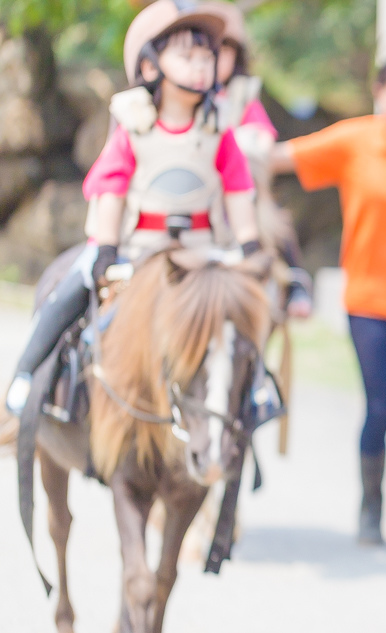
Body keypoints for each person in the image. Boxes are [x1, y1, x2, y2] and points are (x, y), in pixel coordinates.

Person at [4, 0, 261, 417]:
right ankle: (28, 372)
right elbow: (112, 186)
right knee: (70, 288)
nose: (200, 66)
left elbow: (238, 188)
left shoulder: (219, 130)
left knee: (244, 309)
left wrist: (249, 244)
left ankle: (252, 392)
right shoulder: (133, 126)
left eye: (206, 57)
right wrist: (105, 247)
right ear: (148, 67)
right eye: (187, 55)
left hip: (201, 250)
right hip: (134, 248)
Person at [270, 55, 386, 548]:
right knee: (378, 410)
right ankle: (371, 510)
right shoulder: (355, 140)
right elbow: (280, 158)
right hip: (367, 301)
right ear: (378, 94)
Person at [206, 0, 313, 318]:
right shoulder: (184, 97)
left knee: (271, 220)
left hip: (242, 191)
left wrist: (233, 142)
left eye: (224, 51)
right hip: (198, 189)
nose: (214, 60)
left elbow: (263, 140)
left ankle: (294, 282)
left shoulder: (243, 96)